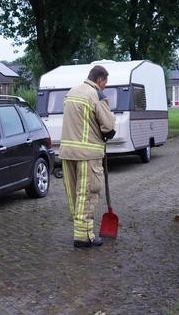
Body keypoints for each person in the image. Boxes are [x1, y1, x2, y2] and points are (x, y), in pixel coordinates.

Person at [60, 65, 116, 248]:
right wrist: (106, 134)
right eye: (105, 84)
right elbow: (109, 126)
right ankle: (84, 237)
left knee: (75, 194)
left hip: (67, 152)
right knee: (88, 194)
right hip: (88, 154)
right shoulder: (96, 95)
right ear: (99, 80)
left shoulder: (71, 92)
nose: (104, 87)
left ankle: (81, 232)